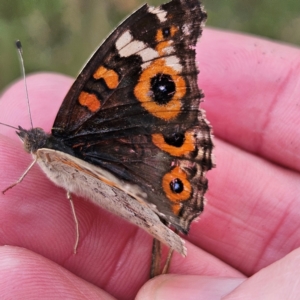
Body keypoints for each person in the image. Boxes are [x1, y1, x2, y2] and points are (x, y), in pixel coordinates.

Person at [0, 28, 300, 299]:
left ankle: (166, 202)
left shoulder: (49, 153)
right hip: (137, 164)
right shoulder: (60, 141)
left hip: (138, 170)